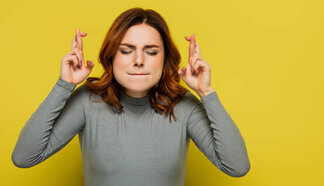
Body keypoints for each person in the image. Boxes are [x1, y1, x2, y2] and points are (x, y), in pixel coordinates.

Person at [11, 7, 250, 185]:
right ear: (112, 57)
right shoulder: (88, 101)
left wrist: (206, 93)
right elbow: (24, 157)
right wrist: (64, 85)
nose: (138, 60)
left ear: (164, 60)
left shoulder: (183, 105)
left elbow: (237, 167)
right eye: (126, 50)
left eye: (151, 51)